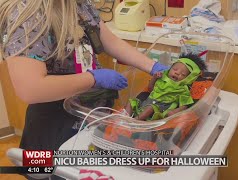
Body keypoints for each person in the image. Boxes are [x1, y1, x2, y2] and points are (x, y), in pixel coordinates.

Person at [0, 0, 168, 153]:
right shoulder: (26, 16)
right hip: (55, 120)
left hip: (90, 114)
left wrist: (153, 66)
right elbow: (31, 89)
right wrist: (93, 78)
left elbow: (109, 40)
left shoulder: (78, 4)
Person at [125, 53, 207, 120]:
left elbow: (184, 105)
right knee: (130, 102)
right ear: (170, 68)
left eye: (183, 74)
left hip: (160, 109)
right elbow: (150, 89)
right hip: (145, 103)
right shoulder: (162, 78)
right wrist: (154, 78)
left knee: (150, 108)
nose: (177, 73)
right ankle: (126, 118)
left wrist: (175, 111)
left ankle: (135, 122)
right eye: (175, 69)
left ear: (188, 79)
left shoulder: (183, 89)